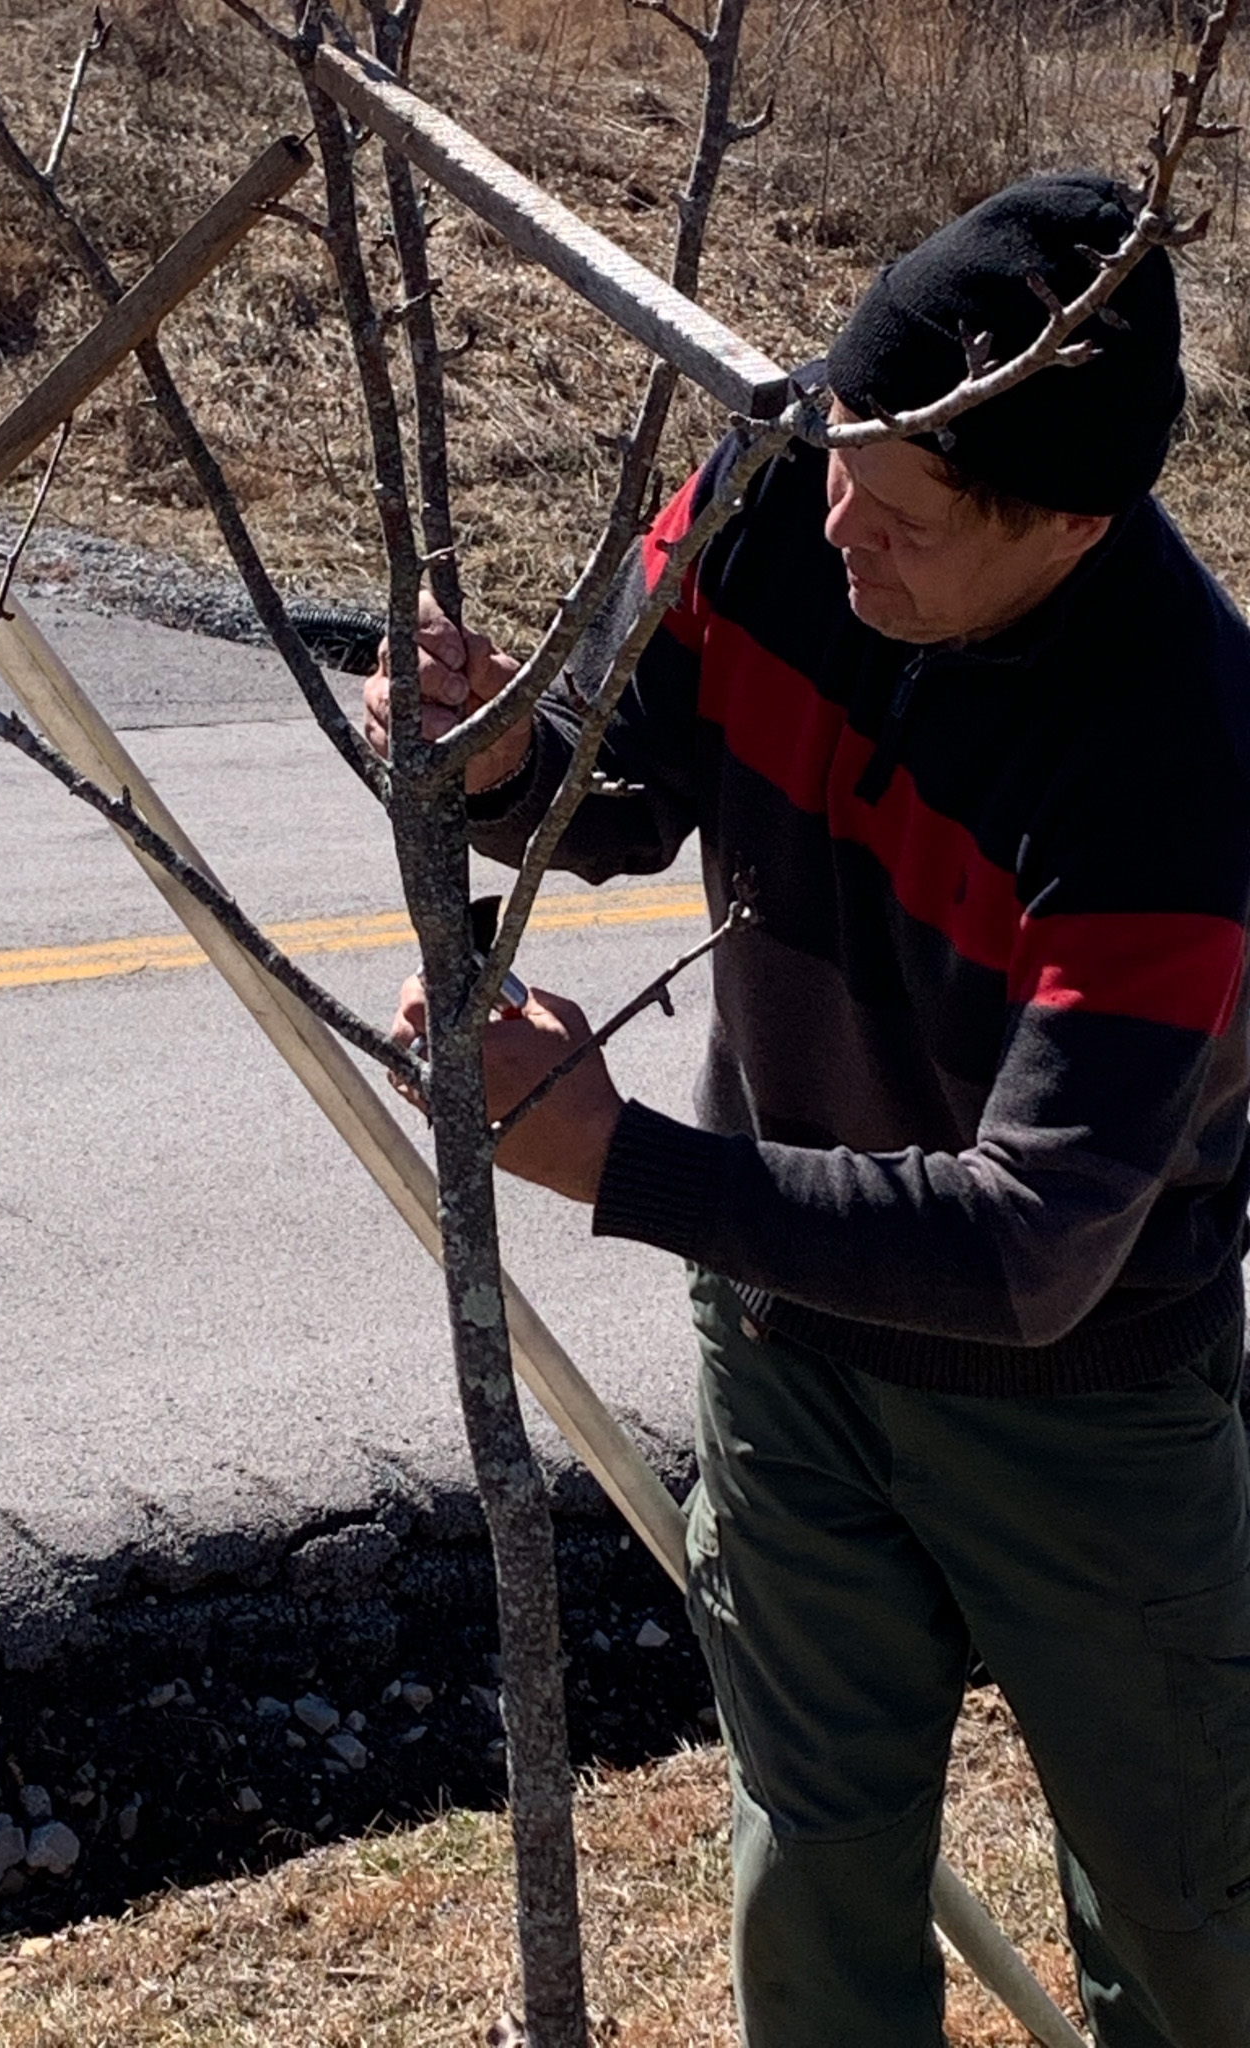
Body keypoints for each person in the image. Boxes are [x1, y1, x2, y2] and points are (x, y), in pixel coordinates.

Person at [366, 172, 1250, 2047]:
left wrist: (619, 1159)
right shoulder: (786, 477)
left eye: (911, 517)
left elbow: (1028, 1253)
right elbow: (619, 773)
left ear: (1074, 526)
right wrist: (503, 736)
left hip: (1086, 1413)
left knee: (1196, 1923)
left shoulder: (1185, 752)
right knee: (813, 1863)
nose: (842, 520)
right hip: (787, 1346)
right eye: (843, 457)